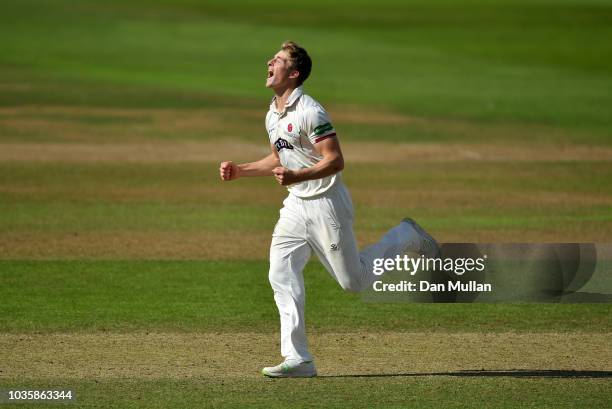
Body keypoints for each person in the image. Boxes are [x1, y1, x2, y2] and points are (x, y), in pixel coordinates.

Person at [219, 41, 439, 378]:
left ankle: (406, 235)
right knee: (280, 272)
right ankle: (299, 359)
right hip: (295, 206)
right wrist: (242, 171)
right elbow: (280, 158)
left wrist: (298, 175)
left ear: (293, 73)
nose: (269, 62)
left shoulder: (311, 111)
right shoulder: (273, 113)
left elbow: (335, 160)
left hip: (326, 205)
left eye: (277, 60)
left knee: (354, 282)